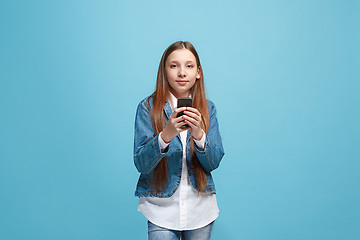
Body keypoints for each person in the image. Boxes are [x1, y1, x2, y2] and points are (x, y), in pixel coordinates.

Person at [133, 41, 225, 240]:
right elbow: (141, 163)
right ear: (164, 71)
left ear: (198, 72)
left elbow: (214, 162)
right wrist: (166, 135)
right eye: (174, 66)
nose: (182, 73)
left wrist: (199, 134)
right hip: (161, 209)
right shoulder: (148, 108)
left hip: (200, 209)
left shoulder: (208, 109)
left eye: (189, 66)